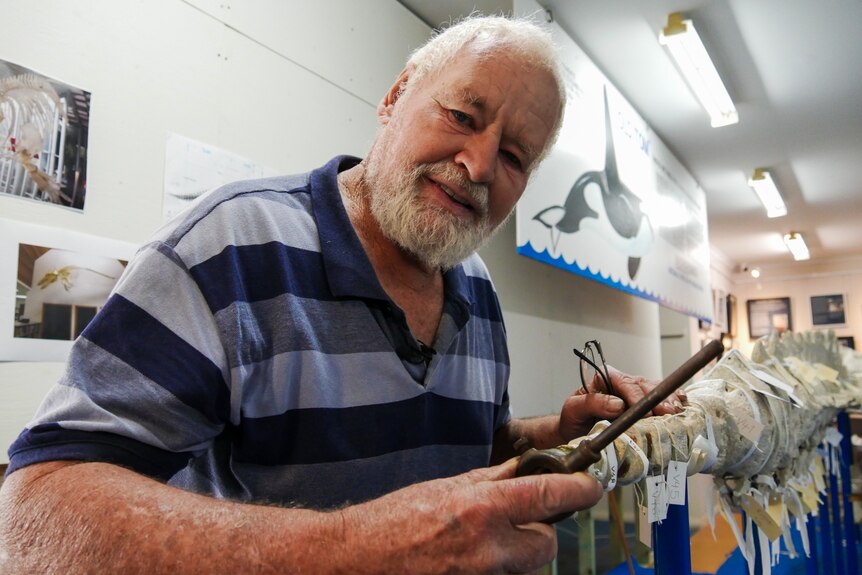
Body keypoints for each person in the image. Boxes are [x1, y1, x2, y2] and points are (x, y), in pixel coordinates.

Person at [0, 15, 684, 574]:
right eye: (461, 114)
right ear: (395, 96)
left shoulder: (476, 289)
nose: (478, 164)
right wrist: (359, 546)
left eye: (514, 156)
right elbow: (36, 509)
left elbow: (459, 447)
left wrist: (550, 434)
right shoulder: (228, 247)